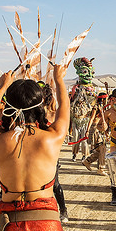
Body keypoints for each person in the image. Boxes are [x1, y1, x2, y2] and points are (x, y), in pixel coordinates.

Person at [0, 65, 69, 231]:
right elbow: (65, 106)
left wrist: (3, 86)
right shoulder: (53, 137)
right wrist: (58, 79)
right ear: (40, 106)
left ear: (8, 106)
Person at [43, 82, 69, 223]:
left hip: (51, 156)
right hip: (38, 155)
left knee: (55, 184)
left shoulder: (53, 115)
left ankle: (63, 209)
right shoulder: (33, 116)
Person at [82, 93, 108, 176]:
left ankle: (87, 161)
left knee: (100, 150)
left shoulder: (103, 108)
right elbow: (92, 119)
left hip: (99, 129)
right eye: (106, 99)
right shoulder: (96, 108)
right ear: (103, 99)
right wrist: (87, 130)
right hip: (95, 129)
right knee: (102, 148)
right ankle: (101, 168)